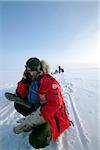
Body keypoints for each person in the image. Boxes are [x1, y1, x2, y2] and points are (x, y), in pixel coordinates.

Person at [12, 57, 71, 149]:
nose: (27, 72)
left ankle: (43, 129)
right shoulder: (30, 79)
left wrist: (33, 120)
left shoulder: (50, 82)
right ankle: (36, 124)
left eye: (30, 70)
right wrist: (23, 81)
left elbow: (55, 105)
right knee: (18, 104)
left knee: (36, 141)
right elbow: (20, 94)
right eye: (27, 69)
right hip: (37, 110)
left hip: (52, 117)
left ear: (38, 70)